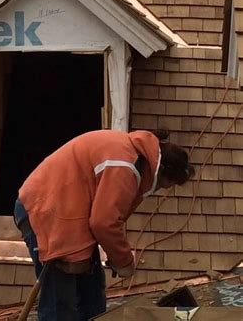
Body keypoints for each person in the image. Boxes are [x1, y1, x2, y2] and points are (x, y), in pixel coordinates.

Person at [14, 129, 195, 320]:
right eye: (163, 185)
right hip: (45, 212)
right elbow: (104, 223)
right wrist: (124, 262)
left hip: (69, 216)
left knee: (91, 295)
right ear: (160, 171)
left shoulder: (131, 156)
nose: (158, 190)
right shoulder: (125, 165)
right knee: (61, 302)